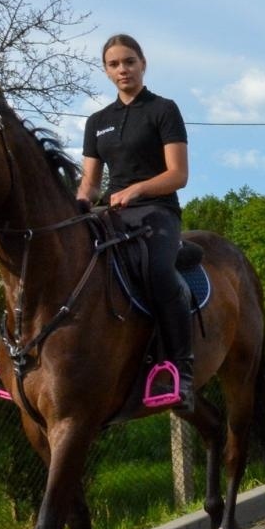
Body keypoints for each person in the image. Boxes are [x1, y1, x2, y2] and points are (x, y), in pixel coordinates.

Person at [78, 34, 195, 410]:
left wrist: (139, 189)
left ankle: (182, 369)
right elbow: (91, 184)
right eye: (114, 64)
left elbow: (178, 174)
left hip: (158, 210)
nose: (122, 69)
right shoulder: (98, 122)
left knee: (159, 271)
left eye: (129, 61)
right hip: (113, 213)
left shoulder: (163, 109)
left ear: (143, 63)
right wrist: (77, 206)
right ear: (106, 70)